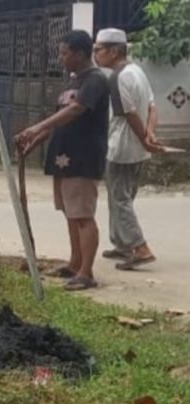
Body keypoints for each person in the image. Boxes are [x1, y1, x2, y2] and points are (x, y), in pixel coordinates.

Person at [16, 31, 110, 291]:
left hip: (83, 157)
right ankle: (74, 262)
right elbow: (61, 117)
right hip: (63, 157)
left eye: (64, 53)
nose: (61, 58)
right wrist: (37, 139)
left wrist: (37, 127)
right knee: (70, 213)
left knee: (82, 215)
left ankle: (86, 272)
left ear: (80, 54)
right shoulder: (72, 82)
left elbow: (76, 110)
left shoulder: (95, 81)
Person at [93, 28, 164, 270]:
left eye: (98, 49)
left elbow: (130, 113)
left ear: (114, 52)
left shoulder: (118, 78)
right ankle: (122, 244)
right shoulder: (138, 72)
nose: (95, 54)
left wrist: (144, 138)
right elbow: (152, 107)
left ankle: (139, 246)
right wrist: (149, 133)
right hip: (137, 148)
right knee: (122, 197)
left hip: (122, 147)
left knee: (120, 198)